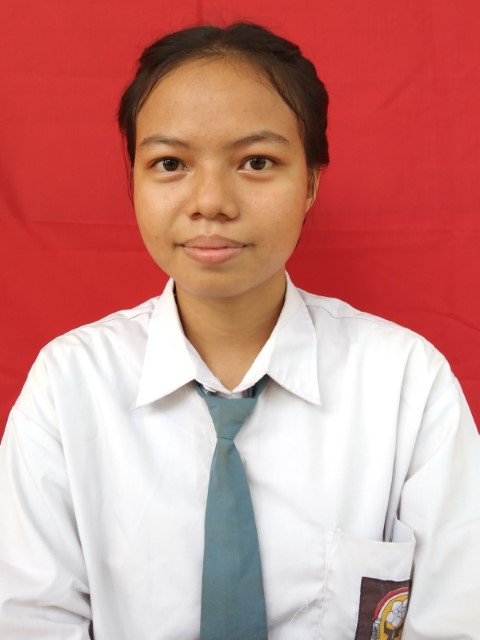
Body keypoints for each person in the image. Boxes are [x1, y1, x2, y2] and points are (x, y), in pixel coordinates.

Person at [0, 22, 479, 640]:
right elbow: (29, 619)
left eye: (257, 162)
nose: (211, 201)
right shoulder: (69, 384)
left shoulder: (405, 383)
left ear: (311, 182)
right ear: (133, 180)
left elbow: (457, 616)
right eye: (170, 163)